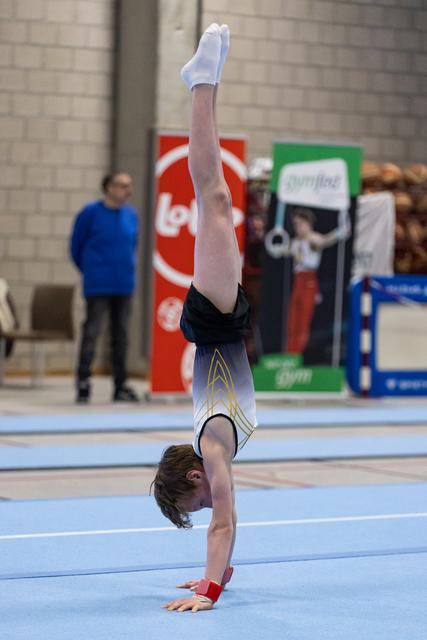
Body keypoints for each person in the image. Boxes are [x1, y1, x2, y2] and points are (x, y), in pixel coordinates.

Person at [151, 23, 257, 613]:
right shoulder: (211, 448)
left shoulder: (213, 449)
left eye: (195, 505)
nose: (208, 507)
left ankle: (201, 83)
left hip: (215, 322)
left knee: (213, 196)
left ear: (194, 479)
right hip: (219, 325)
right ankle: (203, 82)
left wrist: (210, 591)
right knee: (213, 197)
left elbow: (225, 522)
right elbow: (224, 532)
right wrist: (214, 574)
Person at [70, 172, 139, 403]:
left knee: (121, 335)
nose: (126, 190)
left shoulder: (131, 215)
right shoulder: (90, 213)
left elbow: (133, 245)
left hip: (123, 283)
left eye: (128, 186)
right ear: (108, 187)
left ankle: (120, 385)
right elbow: (76, 246)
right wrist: (91, 269)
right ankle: (83, 382)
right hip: (98, 283)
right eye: (121, 185)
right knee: (92, 331)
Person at [286, 207, 350, 354]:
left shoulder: (313, 238)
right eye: (295, 224)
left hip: (309, 280)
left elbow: (326, 240)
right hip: (297, 281)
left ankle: (299, 352)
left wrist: (340, 232)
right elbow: (286, 250)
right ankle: (290, 352)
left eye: (300, 224)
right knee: (293, 319)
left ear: (308, 224)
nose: (297, 227)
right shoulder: (295, 242)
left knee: (304, 320)